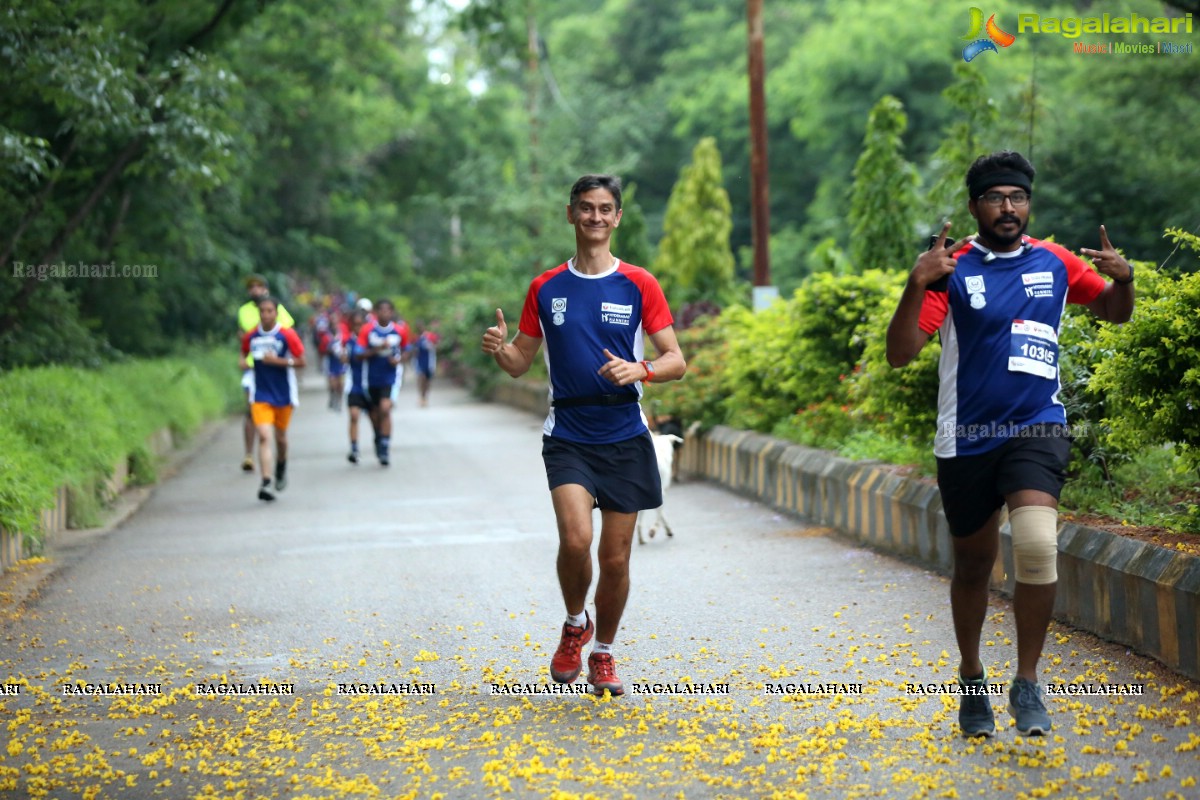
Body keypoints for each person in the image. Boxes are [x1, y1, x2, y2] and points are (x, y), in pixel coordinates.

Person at [885, 151, 1135, 737]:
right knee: (973, 567)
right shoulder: (951, 269)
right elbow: (900, 354)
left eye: (1017, 197)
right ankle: (972, 676)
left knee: (1036, 545)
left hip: (1036, 427)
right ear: (975, 206)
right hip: (966, 435)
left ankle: (1027, 680)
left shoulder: (1056, 261)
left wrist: (1125, 280)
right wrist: (914, 283)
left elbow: (1113, 313)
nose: (1008, 208)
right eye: (995, 198)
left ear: (1029, 203)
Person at [480, 174, 685, 696]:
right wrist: (501, 349)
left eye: (605, 209)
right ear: (570, 214)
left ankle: (604, 653)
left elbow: (675, 360)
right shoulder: (546, 287)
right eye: (586, 208)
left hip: (624, 432)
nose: (595, 217)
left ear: (617, 218)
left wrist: (641, 370)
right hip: (568, 432)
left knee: (615, 559)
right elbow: (520, 363)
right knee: (576, 540)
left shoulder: (639, 283)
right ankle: (576, 622)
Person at [240, 296, 306, 501]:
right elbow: (243, 354)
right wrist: (243, 363)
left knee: (281, 438)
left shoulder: (287, 335)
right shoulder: (251, 336)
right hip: (260, 393)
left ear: (276, 313)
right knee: (265, 436)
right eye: (263, 311)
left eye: (270, 311)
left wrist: (276, 361)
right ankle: (266, 481)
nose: (266, 314)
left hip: (284, 393)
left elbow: (301, 361)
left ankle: (281, 466)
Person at [237, 274, 294, 472]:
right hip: (254, 368)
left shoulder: (275, 308)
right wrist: (242, 358)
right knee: (250, 409)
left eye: (258, 286)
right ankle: (249, 454)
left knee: (279, 430)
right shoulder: (243, 311)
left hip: (274, 367)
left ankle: (278, 458)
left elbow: (287, 332)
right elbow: (243, 337)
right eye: (251, 286)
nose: (254, 290)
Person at [357, 299, 410, 466]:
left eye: (388, 310)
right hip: (371, 379)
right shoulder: (367, 330)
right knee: (374, 413)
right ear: (376, 312)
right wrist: (376, 349)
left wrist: (399, 360)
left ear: (392, 312)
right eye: (381, 310)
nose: (384, 313)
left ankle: (385, 447)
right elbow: (358, 354)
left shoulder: (399, 331)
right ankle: (378, 436)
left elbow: (407, 350)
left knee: (385, 409)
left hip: (390, 378)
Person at [343, 308, 371, 463]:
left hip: (371, 385)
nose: (358, 328)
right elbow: (344, 359)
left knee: (376, 419)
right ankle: (354, 448)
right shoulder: (348, 342)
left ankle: (380, 442)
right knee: (354, 415)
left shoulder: (372, 340)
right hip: (354, 385)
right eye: (355, 325)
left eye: (361, 325)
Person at [324, 308, 348, 411]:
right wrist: (330, 350)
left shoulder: (343, 332)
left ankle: (339, 401)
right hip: (330, 362)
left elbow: (348, 344)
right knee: (332, 384)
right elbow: (323, 348)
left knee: (340, 385)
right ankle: (332, 397)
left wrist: (344, 352)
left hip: (341, 363)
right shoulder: (326, 334)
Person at [413, 323, 440, 407]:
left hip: (429, 363)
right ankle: (421, 396)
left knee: (427, 381)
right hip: (419, 362)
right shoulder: (416, 338)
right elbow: (413, 349)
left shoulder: (430, 336)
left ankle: (425, 396)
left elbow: (437, 346)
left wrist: (432, 347)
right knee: (421, 378)